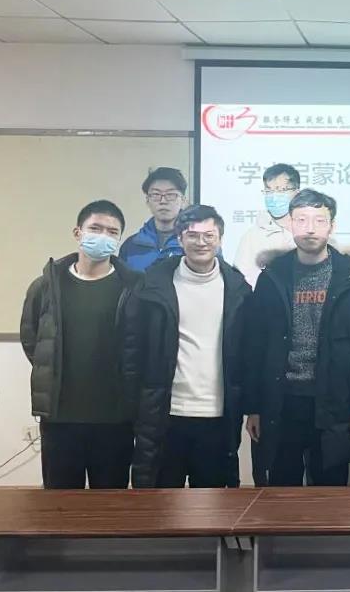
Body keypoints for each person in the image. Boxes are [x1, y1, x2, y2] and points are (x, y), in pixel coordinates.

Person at [244, 189, 350, 487]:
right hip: (282, 399)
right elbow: (255, 346)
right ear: (290, 224)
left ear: (331, 226)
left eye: (319, 220)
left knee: (329, 489)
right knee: (281, 487)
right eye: (301, 220)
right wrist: (253, 407)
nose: (310, 228)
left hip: (334, 399)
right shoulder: (272, 277)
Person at [125, 205, 251, 489]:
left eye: (209, 235)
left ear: (220, 239)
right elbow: (133, 347)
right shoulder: (152, 285)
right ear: (180, 238)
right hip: (165, 415)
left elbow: (247, 354)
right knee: (160, 503)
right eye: (192, 235)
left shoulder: (238, 289)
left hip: (218, 416)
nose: (201, 242)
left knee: (212, 505)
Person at [20, 200, 141, 489]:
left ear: (119, 239)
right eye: (95, 228)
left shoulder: (134, 287)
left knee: (110, 503)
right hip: (60, 418)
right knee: (60, 503)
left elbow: (141, 344)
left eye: (112, 232)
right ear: (78, 233)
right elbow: (32, 339)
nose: (103, 236)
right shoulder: (47, 285)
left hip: (116, 419)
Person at [234, 163, 300, 288]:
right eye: (269, 191)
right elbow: (240, 284)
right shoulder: (252, 236)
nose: (274, 196)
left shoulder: (310, 231)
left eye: (281, 190)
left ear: (297, 193)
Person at [119, 167, 187, 271]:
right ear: (147, 200)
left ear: (183, 200)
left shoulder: (194, 243)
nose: (163, 201)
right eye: (156, 194)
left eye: (171, 195)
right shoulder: (131, 245)